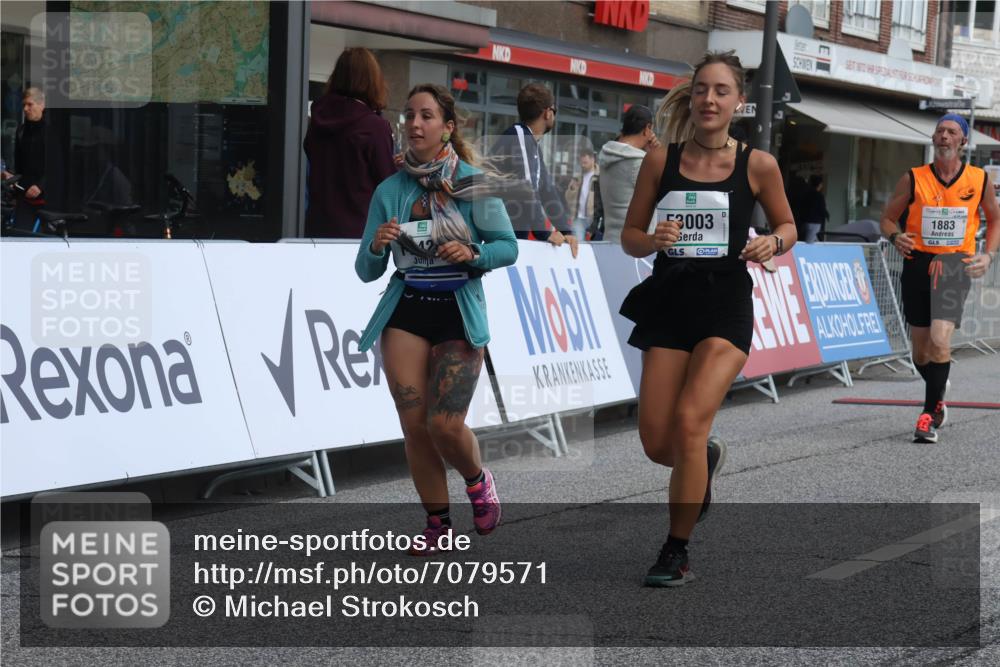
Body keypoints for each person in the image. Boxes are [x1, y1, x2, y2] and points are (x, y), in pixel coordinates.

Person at [619, 51, 796, 586]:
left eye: (721, 91)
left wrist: (772, 242)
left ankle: (676, 549)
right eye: (701, 90)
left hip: (725, 304)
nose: (710, 99)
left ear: (738, 101)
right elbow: (629, 236)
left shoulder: (757, 165)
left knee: (691, 422)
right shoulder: (660, 161)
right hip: (670, 300)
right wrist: (652, 240)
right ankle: (704, 462)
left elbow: (787, 225)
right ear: (691, 97)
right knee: (658, 443)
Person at [355, 83, 518, 555]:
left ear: (447, 127)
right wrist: (377, 245)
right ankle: (437, 523)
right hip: (406, 311)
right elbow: (366, 271)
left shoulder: (471, 183)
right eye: (408, 115)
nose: (414, 124)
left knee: (445, 424)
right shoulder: (390, 190)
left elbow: (508, 247)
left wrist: (472, 252)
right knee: (415, 425)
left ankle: (477, 481)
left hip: (457, 313)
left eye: (426, 116)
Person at [879, 113, 999, 444]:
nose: (944, 136)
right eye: (940, 131)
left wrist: (987, 254)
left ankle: (929, 415)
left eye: (952, 132)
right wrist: (895, 236)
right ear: (933, 139)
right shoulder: (913, 178)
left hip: (954, 264)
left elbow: (995, 220)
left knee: (940, 339)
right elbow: (888, 219)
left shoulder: (979, 179)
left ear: (963, 141)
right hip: (917, 262)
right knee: (920, 354)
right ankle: (937, 388)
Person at [304, 47, 396, 238]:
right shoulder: (374, 127)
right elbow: (388, 186)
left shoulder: (317, 121)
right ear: (373, 81)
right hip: (360, 235)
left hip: (316, 231)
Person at [490, 83, 579, 257]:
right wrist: (545, 232)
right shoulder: (519, 136)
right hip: (496, 237)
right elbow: (526, 188)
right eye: (555, 111)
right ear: (547, 112)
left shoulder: (530, 142)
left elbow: (547, 190)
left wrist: (565, 230)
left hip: (512, 237)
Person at [599, 104, 659, 245]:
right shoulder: (639, 163)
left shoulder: (607, 154)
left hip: (610, 240)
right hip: (636, 246)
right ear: (647, 129)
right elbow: (664, 195)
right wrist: (656, 154)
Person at [2, 87, 61, 227]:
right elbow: (19, 165)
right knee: (20, 236)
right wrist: (11, 178)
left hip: (46, 198)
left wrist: (41, 186)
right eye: (24, 105)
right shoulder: (21, 131)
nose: (26, 109)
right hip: (24, 196)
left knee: (44, 240)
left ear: (42, 105)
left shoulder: (51, 132)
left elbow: (56, 166)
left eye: (30, 104)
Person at [566, 147, 598, 241]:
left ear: (592, 160)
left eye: (585, 163)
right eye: (581, 163)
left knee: (595, 245)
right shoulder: (577, 177)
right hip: (578, 218)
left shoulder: (600, 176)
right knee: (578, 245)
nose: (583, 165)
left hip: (593, 218)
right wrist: (572, 189)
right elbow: (567, 198)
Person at [800, 175, 828, 242]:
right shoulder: (819, 196)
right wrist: (826, 215)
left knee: (814, 240)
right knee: (810, 241)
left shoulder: (807, 194)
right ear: (820, 184)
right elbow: (822, 209)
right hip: (815, 222)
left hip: (806, 221)